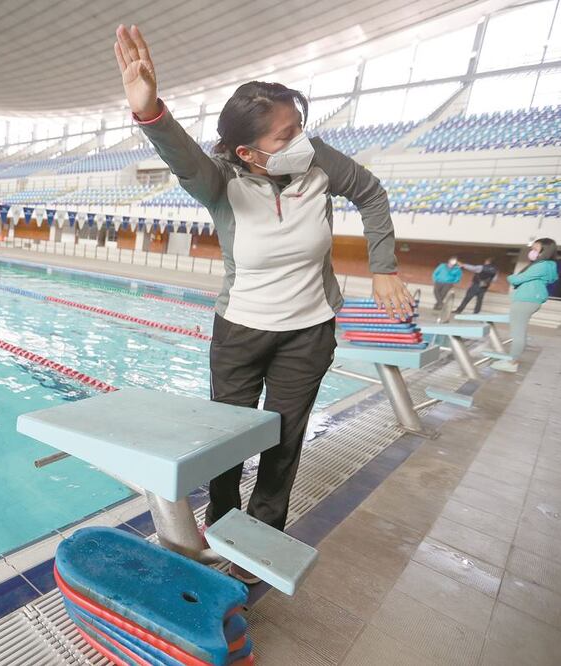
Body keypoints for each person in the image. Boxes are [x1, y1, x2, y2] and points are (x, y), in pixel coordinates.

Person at [114, 25, 412, 584]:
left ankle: (259, 539)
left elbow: (371, 191)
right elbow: (182, 159)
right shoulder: (220, 182)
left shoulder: (318, 161)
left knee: (282, 437)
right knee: (226, 436)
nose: (301, 140)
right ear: (248, 151)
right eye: (286, 134)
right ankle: (223, 521)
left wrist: (384, 267)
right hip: (241, 332)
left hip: (309, 331)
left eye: (299, 127)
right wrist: (151, 112)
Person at [491, 239, 558, 373]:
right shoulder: (549, 265)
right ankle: (513, 359)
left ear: (545, 250)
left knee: (518, 333)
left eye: (535, 249)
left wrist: (511, 277)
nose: (532, 252)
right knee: (520, 331)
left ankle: (511, 362)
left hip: (525, 300)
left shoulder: (542, 265)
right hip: (532, 300)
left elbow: (517, 279)